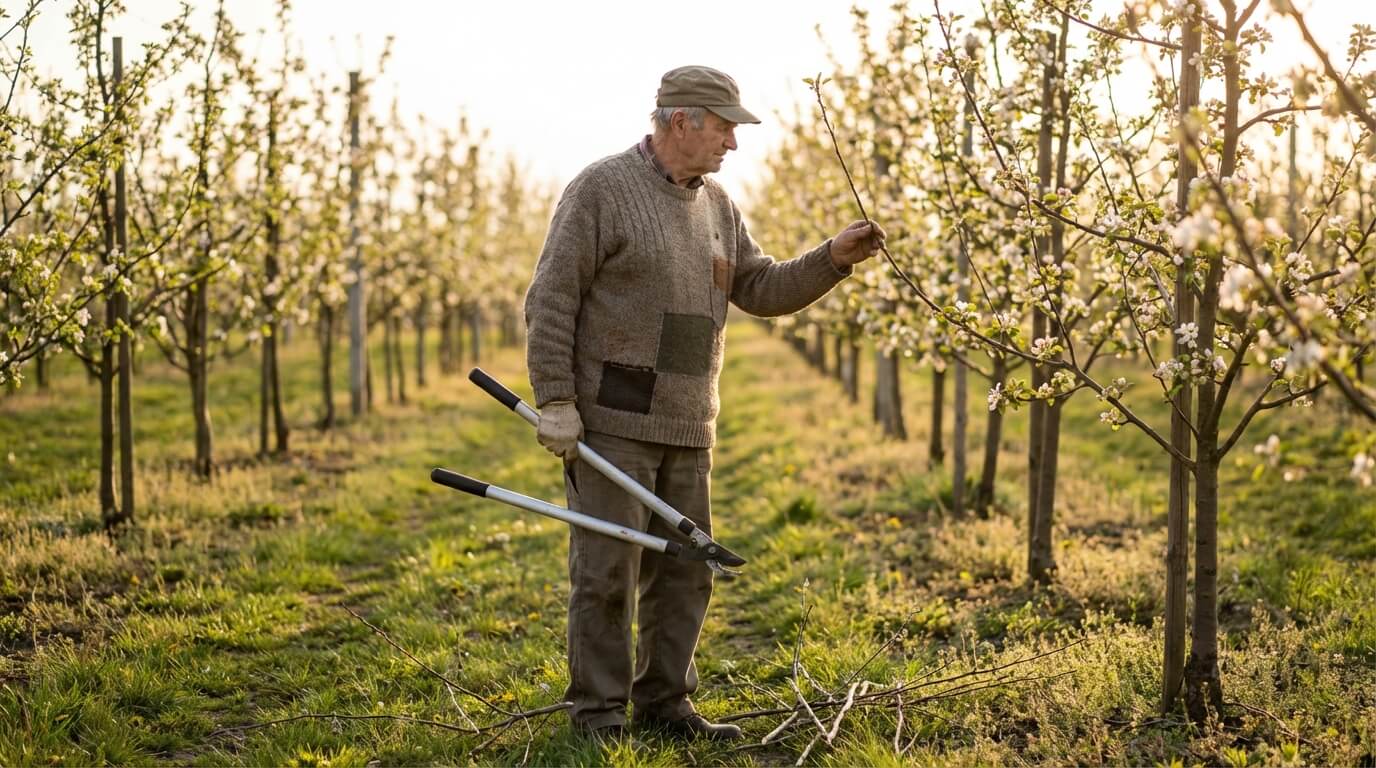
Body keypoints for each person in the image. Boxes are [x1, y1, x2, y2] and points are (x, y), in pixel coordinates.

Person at [523, 64, 885, 743]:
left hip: (690, 424)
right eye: (724, 128)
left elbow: (761, 287)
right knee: (607, 574)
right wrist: (557, 399)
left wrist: (832, 258)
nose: (733, 143)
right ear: (682, 120)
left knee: (687, 574)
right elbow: (551, 298)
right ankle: (598, 717)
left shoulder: (717, 205)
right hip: (614, 424)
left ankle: (665, 706)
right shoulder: (601, 189)